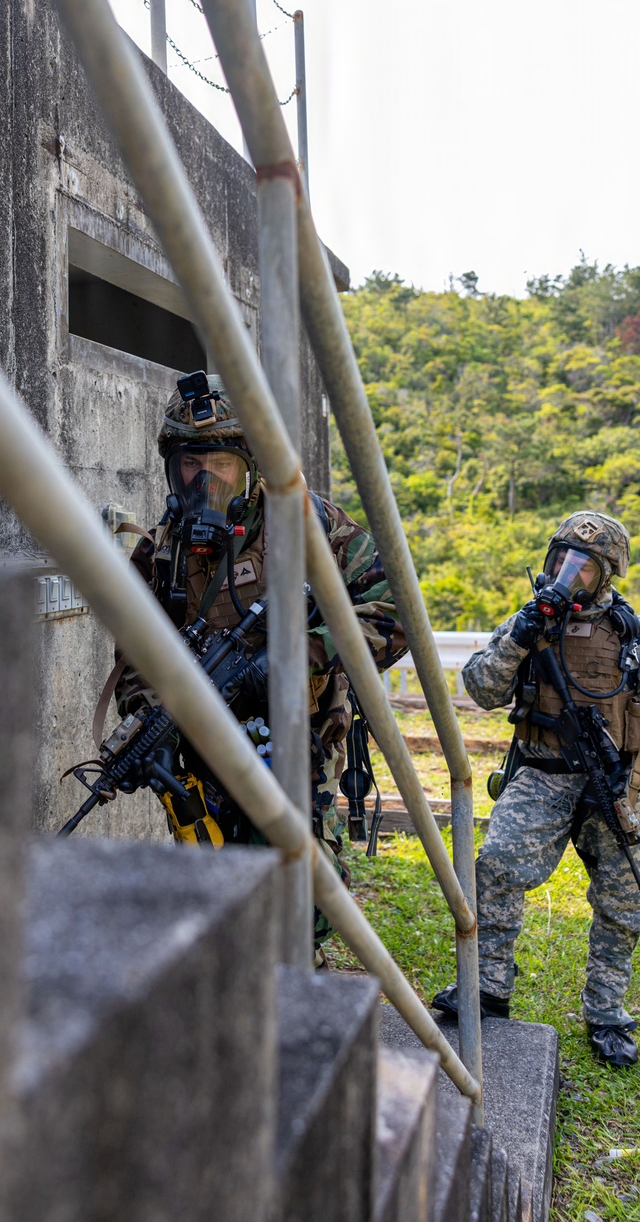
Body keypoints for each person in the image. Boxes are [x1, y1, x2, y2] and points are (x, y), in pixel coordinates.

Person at [114, 371, 406, 963]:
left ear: (249, 466)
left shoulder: (305, 522)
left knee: (300, 897)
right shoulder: (161, 552)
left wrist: (298, 658)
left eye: (220, 463)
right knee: (215, 901)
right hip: (204, 755)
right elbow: (134, 655)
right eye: (190, 465)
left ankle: (298, 989)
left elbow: (392, 609)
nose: (205, 480)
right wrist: (150, 722)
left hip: (296, 741)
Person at [432, 511, 640, 1066]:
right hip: (542, 773)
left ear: (607, 574)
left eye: (584, 566)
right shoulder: (528, 622)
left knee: (626, 901)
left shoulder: (638, 636)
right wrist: (518, 638)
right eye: (560, 561)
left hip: (616, 787)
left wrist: (635, 776)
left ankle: (606, 1011)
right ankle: (489, 988)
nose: (567, 574)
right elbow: (481, 689)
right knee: (496, 868)